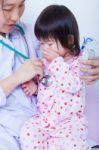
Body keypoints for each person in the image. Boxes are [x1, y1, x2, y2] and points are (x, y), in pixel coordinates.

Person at [20, 5, 91, 150]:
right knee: (28, 132)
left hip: (68, 123)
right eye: (41, 43)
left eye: (50, 43)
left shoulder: (79, 62)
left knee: (73, 144)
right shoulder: (46, 62)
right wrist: (36, 88)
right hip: (45, 120)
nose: (44, 48)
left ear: (70, 40)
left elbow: (72, 85)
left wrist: (57, 62)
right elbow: (49, 87)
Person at [0, 0, 43, 149]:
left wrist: (86, 64)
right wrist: (17, 77)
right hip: (6, 131)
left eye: (21, 5)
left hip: (42, 124)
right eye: (8, 8)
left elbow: (62, 57)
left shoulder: (29, 32)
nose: (16, 16)